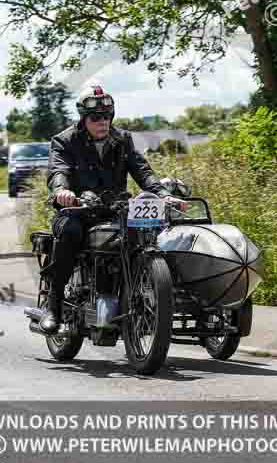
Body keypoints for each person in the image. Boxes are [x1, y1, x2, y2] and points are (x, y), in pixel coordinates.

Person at [40, 85, 187, 334]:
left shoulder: (123, 140)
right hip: (77, 210)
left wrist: (164, 195)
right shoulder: (65, 141)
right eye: (96, 117)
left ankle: (141, 292)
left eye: (107, 116)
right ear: (83, 119)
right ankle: (53, 304)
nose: (102, 122)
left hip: (116, 209)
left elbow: (143, 172)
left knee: (148, 235)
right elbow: (58, 171)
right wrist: (62, 191)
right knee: (71, 232)